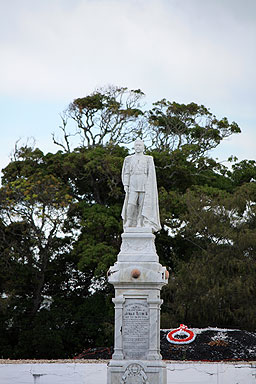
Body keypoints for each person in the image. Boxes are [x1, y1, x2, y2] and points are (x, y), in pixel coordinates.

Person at [121, 139, 161, 232]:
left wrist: (149, 186)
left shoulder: (148, 159)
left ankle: (139, 222)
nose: (138, 147)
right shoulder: (128, 159)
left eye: (140, 145)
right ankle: (129, 221)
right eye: (136, 145)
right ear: (134, 147)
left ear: (143, 147)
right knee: (131, 204)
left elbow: (150, 174)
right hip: (133, 183)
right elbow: (126, 173)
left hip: (144, 183)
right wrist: (125, 185)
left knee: (142, 205)